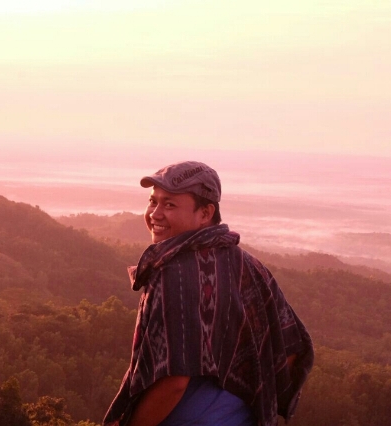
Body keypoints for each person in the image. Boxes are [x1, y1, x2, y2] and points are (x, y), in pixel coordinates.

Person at [104, 161, 314, 426]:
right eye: (152, 201)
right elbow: (291, 348)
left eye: (169, 204)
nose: (155, 214)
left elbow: (174, 381)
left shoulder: (174, 275)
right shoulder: (247, 265)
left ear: (205, 213)